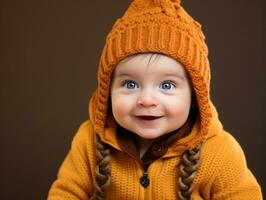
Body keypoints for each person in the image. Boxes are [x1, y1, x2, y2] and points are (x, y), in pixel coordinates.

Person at [47, 0, 262, 199]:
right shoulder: (88, 141)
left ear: (196, 96)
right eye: (130, 84)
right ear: (107, 91)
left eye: (166, 85)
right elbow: (65, 193)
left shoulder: (220, 152)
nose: (147, 100)